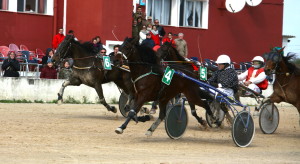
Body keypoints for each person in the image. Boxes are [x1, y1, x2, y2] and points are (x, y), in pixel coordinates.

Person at [207, 54, 238, 125]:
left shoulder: (232, 72)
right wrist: (208, 82)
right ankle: (214, 107)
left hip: (229, 91)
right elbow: (211, 80)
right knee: (208, 91)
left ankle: (219, 115)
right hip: (219, 90)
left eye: (220, 64)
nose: (218, 65)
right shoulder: (218, 71)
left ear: (226, 64)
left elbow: (227, 84)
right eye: (218, 64)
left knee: (218, 93)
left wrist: (218, 85)